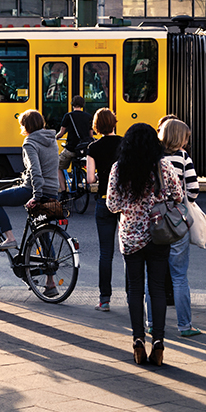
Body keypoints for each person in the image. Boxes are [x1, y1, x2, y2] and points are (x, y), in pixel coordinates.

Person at [107, 123, 184, 366]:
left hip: (131, 237)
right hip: (159, 234)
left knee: (134, 289)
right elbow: (178, 196)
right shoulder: (165, 166)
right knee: (158, 289)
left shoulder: (119, 169)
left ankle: (138, 341)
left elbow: (112, 205)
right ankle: (159, 342)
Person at [0, 110, 60, 293]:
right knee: (43, 234)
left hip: (34, 190)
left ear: (26, 126)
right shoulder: (52, 140)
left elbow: (36, 171)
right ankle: (50, 283)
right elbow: (49, 167)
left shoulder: (30, 142)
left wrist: (35, 197)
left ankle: (9, 238)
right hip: (53, 191)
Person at [145, 119, 202, 337]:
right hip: (176, 221)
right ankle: (185, 325)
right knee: (179, 276)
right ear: (181, 137)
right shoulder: (183, 158)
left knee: (153, 277)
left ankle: (151, 322)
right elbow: (194, 191)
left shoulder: (151, 156)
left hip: (154, 221)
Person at [85, 108, 122, 312]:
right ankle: (132, 295)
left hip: (104, 200)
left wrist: (101, 177)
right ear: (114, 122)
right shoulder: (125, 142)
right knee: (128, 253)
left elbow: (90, 178)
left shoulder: (93, 147)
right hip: (125, 203)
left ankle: (104, 300)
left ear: (97, 126)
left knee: (105, 253)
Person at [57, 95, 94, 200]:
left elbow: (61, 133)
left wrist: (54, 137)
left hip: (71, 149)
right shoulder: (88, 117)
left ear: (72, 104)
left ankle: (64, 192)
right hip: (83, 150)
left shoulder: (68, 116)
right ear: (82, 105)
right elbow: (91, 135)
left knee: (59, 167)